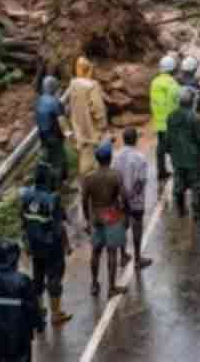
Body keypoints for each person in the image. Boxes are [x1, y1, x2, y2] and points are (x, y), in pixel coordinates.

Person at [20, 163, 72, 325]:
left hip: (35, 245)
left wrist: (27, 242)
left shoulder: (26, 195)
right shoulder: (53, 198)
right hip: (51, 246)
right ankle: (56, 314)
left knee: (38, 276)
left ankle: (40, 310)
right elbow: (58, 226)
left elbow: (23, 220)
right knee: (54, 277)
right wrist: (66, 245)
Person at [0, 241, 42, 362]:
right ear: (15, 259)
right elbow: (32, 308)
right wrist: (38, 325)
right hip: (18, 336)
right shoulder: (23, 280)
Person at [82, 142, 128, 297]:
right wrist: (126, 214)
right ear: (110, 157)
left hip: (96, 215)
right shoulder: (116, 175)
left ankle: (94, 284)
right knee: (112, 252)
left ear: (97, 159)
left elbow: (84, 200)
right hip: (111, 214)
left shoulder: (89, 178)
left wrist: (88, 221)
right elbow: (124, 197)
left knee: (95, 252)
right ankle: (111, 287)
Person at [167, 87, 200, 219]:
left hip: (178, 158)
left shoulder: (171, 117)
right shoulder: (196, 118)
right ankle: (197, 212)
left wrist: (169, 150)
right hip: (193, 158)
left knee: (179, 183)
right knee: (197, 185)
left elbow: (168, 137)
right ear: (192, 102)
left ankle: (180, 210)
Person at [61, 56, 108, 180]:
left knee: (83, 160)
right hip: (92, 131)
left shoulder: (72, 85)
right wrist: (102, 125)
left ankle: (85, 188)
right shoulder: (92, 86)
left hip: (79, 132)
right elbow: (98, 109)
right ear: (89, 70)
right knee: (95, 162)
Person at [113, 128, 153, 270]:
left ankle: (123, 255)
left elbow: (115, 179)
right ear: (136, 139)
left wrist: (122, 198)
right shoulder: (140, 158)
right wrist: (131, 198)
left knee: (122, 227)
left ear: (123, 139)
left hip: (120, 200)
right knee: (137, 228)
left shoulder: (116, 156)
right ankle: (137, 259)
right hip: (135, 201)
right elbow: (140, 182)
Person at [34, 76, 69, 192]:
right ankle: (58, 189)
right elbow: (61, 121)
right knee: (58, 162)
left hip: (43, 138)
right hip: (54, 138)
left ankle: (47, 187)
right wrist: (68, 133)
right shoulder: (55, 102)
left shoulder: (39, 100)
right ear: (53, 88)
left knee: (47, 162)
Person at [150, 55, 181, 181]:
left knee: (161, 147)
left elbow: (153, 102)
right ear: (172, 69)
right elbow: (176, 104)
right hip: (171, 122)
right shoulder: (172, 84)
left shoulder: (154, 82)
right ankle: (178, 173)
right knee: (174, 148)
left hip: (158, 121)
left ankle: (161, 171)